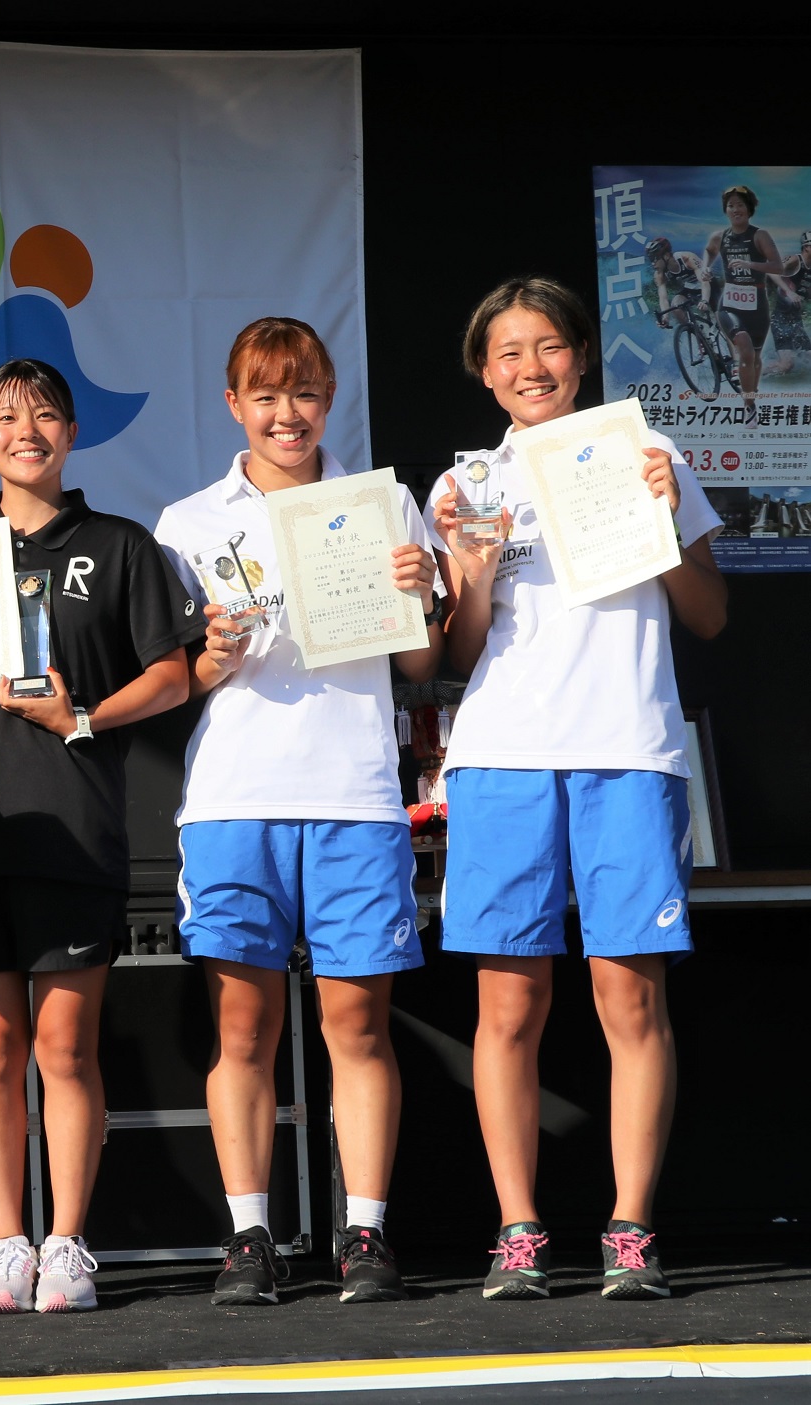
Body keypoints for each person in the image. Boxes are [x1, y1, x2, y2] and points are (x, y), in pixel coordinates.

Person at [0, 358, 199, 1314]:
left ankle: (67, 1243)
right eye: (7, 417)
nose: (28, 430)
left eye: (47, 414)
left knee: (65, 1046)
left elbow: (175, 676)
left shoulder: (121, 544)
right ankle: (4, 1243)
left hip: (73, 828)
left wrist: (84, 718)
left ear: (71, 434)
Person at [431, 277, 726, 1300]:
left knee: (627, 996)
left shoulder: (652, 457)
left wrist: (660, 512)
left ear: (583, 356)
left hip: (628, 751)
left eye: (548, 346)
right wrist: (466, 570)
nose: (530, 367)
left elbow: (708, 614)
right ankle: (519, 1229)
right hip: (504, 755)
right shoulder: (466, 483)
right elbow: (454, 655)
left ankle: (630, 1228)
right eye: (508, 352)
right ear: (485, 371)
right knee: (508, 1003)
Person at [152, 318, 442, 1307]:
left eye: (306, 391)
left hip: (356, 796)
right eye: (266, 394)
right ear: (234, 404)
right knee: (244, 1030)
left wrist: (422, 598)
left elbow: (419, 667)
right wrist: (210, 661)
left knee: (356, 1026)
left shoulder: (380, 504)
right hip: (235, 800)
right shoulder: (189, 521)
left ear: (330, 399)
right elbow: (176, 679)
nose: (288, 412)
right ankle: (249, 1238)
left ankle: (365, 1233)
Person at [701, 186, 787, 407]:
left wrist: (750, 264)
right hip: (729, 304)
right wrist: (705, 268)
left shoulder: (760, 235)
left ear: (749, 210)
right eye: (731, 205)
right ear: (726, 210)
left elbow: (778, 267)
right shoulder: (720, 237)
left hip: (757, 304)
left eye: (740, 205)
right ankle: (749, 407)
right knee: (744, 347)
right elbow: (709, 251)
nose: (735, 209)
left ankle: (751, 394)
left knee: (755, 358)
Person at [764, 232, 810, 378]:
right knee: (787, 365)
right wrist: (788, 292)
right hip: (780, 319)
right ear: (807, 247)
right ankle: (757, 373)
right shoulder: (795, 260)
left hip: (796, 320)